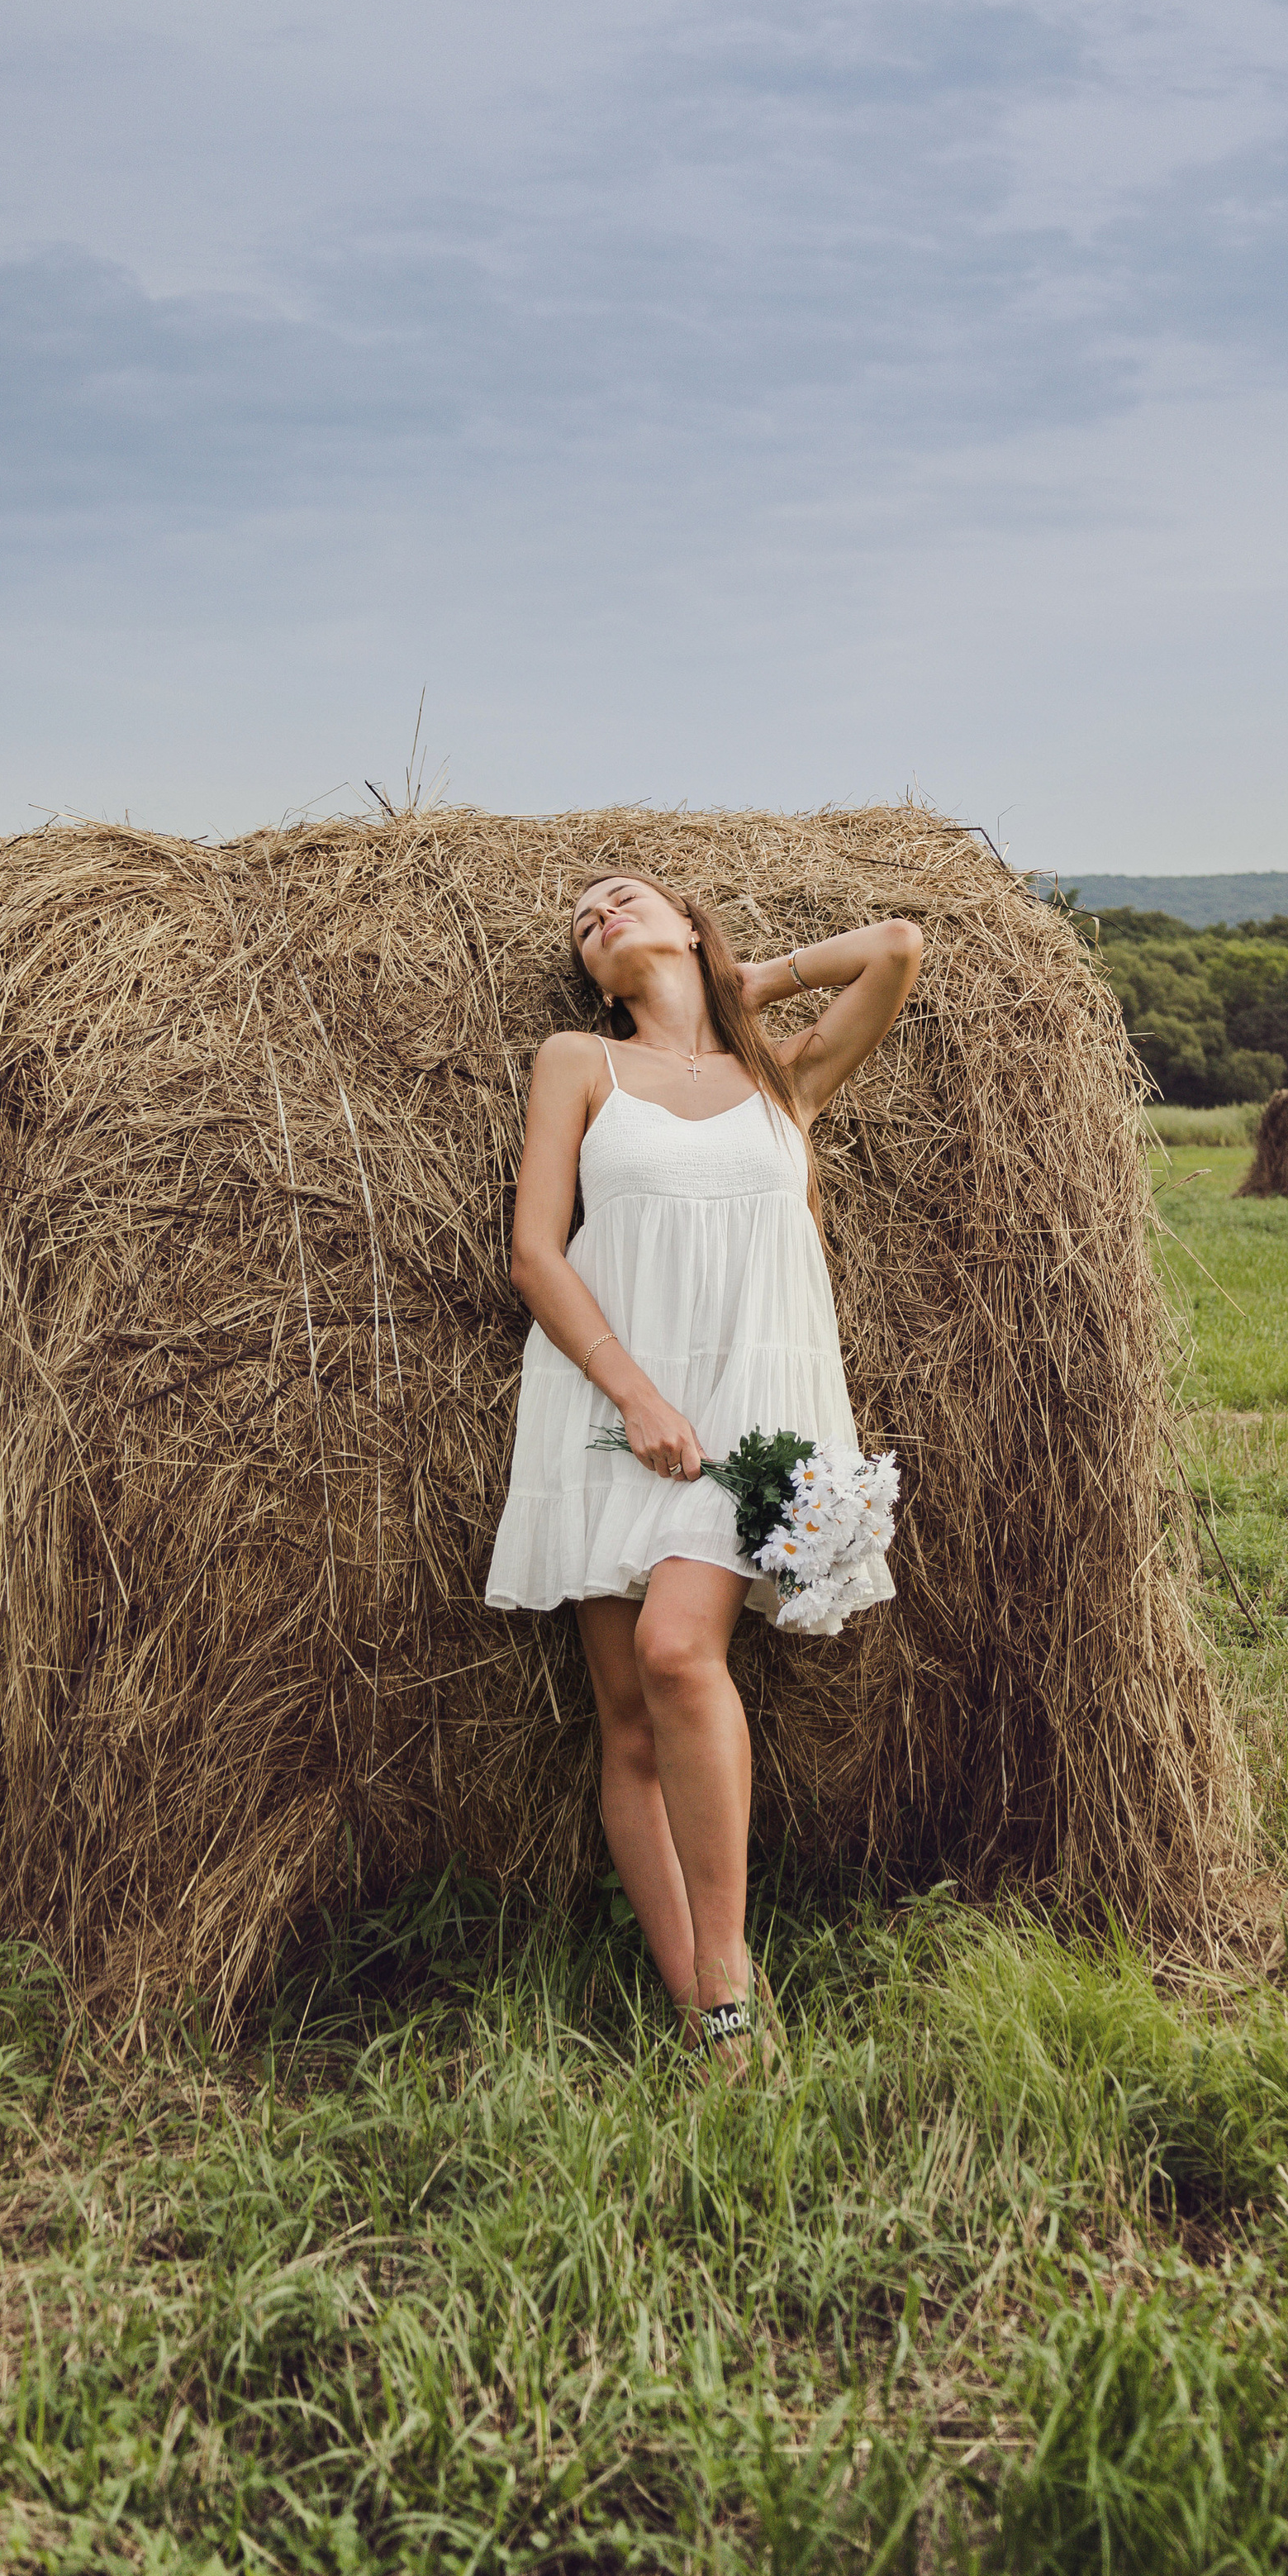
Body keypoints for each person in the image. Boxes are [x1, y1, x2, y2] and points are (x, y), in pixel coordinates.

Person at [486, 870, 923, 2063]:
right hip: (605, 1398)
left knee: (678, 1651)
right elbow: (535, 1252)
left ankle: (726, 1966)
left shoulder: (780, 1080)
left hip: (754, 1411)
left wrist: (744, 983)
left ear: (689, 924)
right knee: (627, 1721)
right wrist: (633, 1396)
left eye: (622, 898)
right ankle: (718, 2025)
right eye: (580, 921)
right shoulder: (578, 1062)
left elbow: (893, 943)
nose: (597, 916)